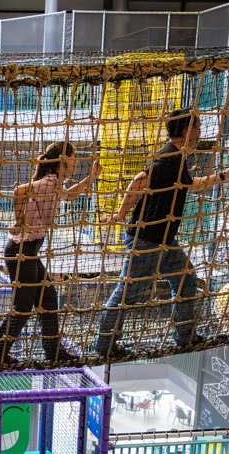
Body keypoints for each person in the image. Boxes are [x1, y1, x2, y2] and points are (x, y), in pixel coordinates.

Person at [96, 108, 229, 358]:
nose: (200, 131)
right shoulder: (169, 158)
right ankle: (104, 345)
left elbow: (189, 185)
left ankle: (185, 336)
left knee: (186, 279)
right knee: (128, 294)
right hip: (147, 240)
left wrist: (222, 176)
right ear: (186, 130)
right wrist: (120, 214)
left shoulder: (177, 158)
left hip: (164, 239)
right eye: (197, 127)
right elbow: (139, 180)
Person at [0, 141, 101, 366]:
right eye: (73, 157)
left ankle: (53, 351)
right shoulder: (49, 183)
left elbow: (68, 195)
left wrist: (92, 178)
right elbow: (19, 191)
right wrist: (19, 220)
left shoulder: (54, 183)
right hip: (22, 251)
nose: (76, 161)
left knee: (48, 298)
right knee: (23, 306)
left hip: (27, 250)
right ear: (63, 160)